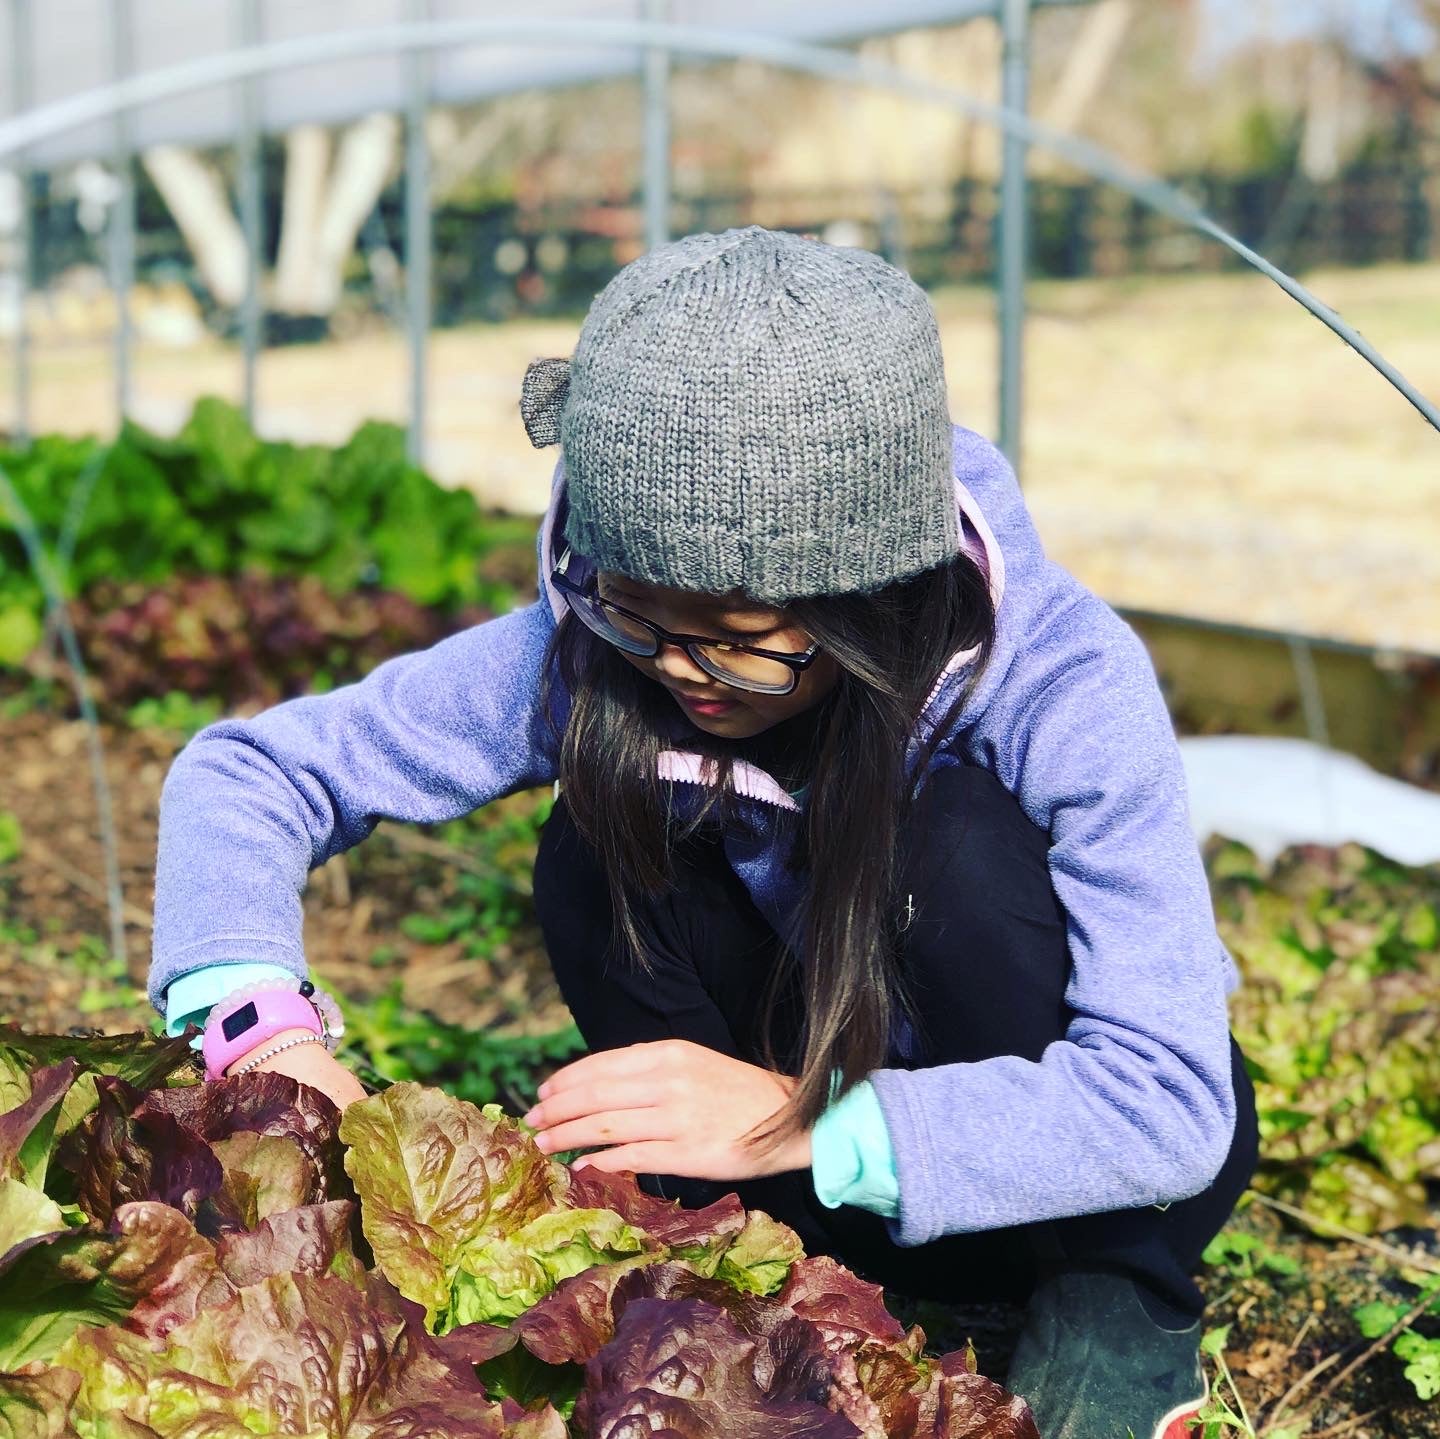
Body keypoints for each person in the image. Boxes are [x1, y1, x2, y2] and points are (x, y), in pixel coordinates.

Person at [149, 225, 1259, 1439]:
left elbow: (1169, 1098)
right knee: (596, 841)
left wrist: (804, 1118)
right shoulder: (595, 650)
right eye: (639, 615)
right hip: (808, 1138)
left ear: (868, 592)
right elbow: (249, 771)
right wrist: (258, 1027)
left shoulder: (1062, 683)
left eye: (735, 633)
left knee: (956, 852)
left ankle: (1114, 1289)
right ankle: (748, 1239)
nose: (683, 671)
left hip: (1084, 1167)